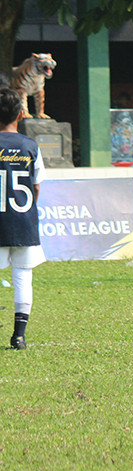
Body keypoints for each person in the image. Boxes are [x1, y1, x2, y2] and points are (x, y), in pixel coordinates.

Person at [0, 88, 46, 350]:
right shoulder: (30, 146)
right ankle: (19, 335)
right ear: (20, 114)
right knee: (22, 276)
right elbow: (37, 186)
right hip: (22, 221)